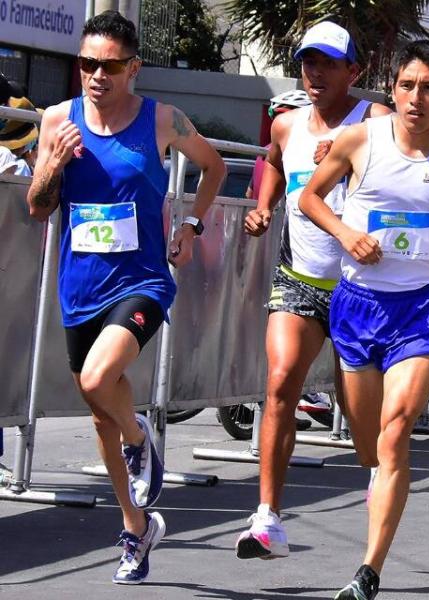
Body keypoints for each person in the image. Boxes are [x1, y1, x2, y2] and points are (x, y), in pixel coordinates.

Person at [25, 10, 226, 583]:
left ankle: (143, 443)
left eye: (109, 65)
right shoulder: (57, 119)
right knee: (100, 421)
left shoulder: (163, 120)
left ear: (132, 68)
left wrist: (192, 225)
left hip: (142, 282)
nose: (96, 76)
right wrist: (55, 161)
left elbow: (211, 168)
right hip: (78, 289)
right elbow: (38, 206)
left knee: (96, 382)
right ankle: (136, 528)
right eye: (87, 64)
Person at [298, 39, 429, 600]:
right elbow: (311, 198)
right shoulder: (361, 140)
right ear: (394, 88)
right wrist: (345, 234)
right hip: (358, 304)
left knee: (397, 430)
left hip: (421, 306)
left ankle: (368, 571)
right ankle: (381, 479)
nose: (416, 98)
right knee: (370, 446)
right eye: (408, 86)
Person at [237, 22, 392, 561]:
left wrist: (356, 153)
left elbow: (410, 163)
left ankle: (379, 479)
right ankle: (268, 520)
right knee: (279, 383)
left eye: (329, 62)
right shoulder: (285, 124)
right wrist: (262, 205)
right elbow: (274, 167)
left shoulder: (374, 122)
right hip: (300, 277)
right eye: (308, 61)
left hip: (362, 286)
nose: (316, 72)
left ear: (354, 71)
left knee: (360, 419)